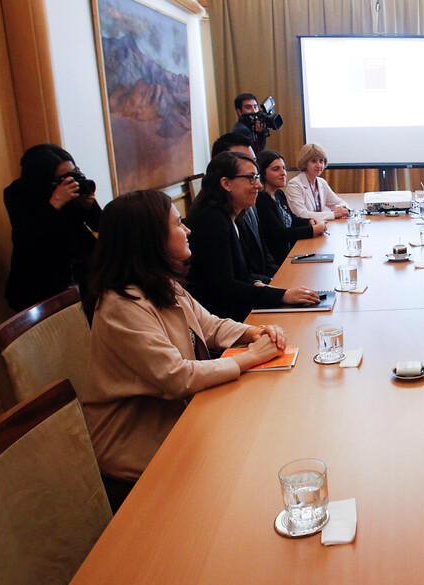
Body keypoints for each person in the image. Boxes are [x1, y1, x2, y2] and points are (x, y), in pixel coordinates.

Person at [82, 190, 288, 510]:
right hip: (142, 451)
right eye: (178, 223)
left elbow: (210, 325)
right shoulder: (120, 304)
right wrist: (252, 357)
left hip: (182, 421)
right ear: (151, 238)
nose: (188, 230)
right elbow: (177, 376)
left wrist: (255, 332)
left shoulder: (159, 283)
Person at [184, 151, 320, 321]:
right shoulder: (210, 220)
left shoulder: (233, 215)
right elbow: (224, 286)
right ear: (226, 183)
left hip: (239, 306)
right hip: (222, 319)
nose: (258, 185)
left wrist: (271, 287)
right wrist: (281, 295)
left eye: (257, 177)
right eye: (251, 178)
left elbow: (243, 275)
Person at [3, 143, 102, 311]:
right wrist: (55, 204)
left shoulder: (74, 184)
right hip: (41, 278)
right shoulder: (18, 193)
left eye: (73, 172)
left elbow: (100, 225)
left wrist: (89, 206)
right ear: (43, 178)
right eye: (62, 177)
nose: (70, 180)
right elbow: (28, 240)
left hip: (83, 271)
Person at [209, 133, 280, 279]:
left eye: (253, 161)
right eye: (243, 159)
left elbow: (263, 251)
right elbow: (227, 281)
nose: (258, 185)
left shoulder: (247, 201)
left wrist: (279, 277)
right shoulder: (213, 217)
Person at [255, 150, 327, 264]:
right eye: (276, 169)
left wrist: (310, 221)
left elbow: (292, 219)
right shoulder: (261, 200)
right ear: (262, 173)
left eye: (283, 168)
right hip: (279, 261)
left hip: (291, 252)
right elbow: (279, 234)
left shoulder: (278, 193)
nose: (283, 173)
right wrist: (312, 230)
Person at [285, 143, 350, 221]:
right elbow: (302, 215)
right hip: (303, 227)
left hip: (319, 226)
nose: (319, 165)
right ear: (305, 163)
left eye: (321, 161)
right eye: (313, 161)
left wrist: (344, 210)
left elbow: (339, 202)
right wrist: (334, 214)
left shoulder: (321, 182)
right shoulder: (294, 185)